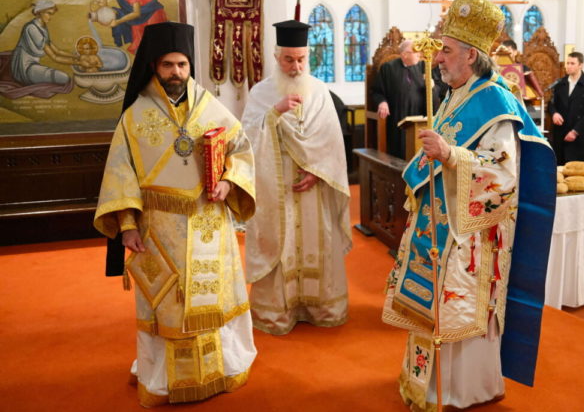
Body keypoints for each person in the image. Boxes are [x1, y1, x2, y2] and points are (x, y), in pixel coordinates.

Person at [381, 0, 556, 411]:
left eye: (446, 50)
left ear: (471, 55)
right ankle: (426, 383)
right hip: (438, 223)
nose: (438, 58)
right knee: (429, 304)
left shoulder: (496, 101)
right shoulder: (453, 95)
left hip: (471, 235)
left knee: (457, 308)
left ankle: (463, 390)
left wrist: (449, 154)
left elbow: (503, 175)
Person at [93, 22, 257, 407]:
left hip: (208, 222)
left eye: (182, 65)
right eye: (168, 65)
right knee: (167, 303)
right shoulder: (134, 116)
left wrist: (228, 182)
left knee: (212, 299)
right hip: (159, 228)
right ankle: (164, 378)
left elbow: (240, 149)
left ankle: (221, 367)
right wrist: (127, 226)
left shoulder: (209, 106)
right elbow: (120, 174)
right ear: (154, 65)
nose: (176, 73)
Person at [242, 20, 352, 335]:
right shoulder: (261, 93)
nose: (296, 66)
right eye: (289, 59)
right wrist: (274, 112)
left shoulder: (319, 91)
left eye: (302, 59)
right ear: (277, 57)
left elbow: (332, 142)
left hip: (314, 185)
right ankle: (278, 311)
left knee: (319, 241)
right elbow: (246, 139)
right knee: (283, 242)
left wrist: (317, 171)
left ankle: (321, 308)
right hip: (277, 185)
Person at [372, 39, 443, 159]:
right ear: (404, 54)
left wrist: (432, 86)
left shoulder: (424, 66)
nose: (419, 55)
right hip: (397, 118)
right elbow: (377, 91)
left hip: (419, 118)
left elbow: (438, 91)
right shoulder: (388, 68)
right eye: (416, 52)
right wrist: (382, 102)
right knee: (398, 153)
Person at [10, 0, 81, 85]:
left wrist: (77, 57)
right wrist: (79, 63)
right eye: (48, 13)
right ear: (40, 12)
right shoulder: (32, 28)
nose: (50, 17)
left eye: (51, 14)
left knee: (62, 77)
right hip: (25, 69)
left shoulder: (43, 27)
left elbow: (57, 51)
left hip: (33, 65)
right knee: (64, 78)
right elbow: (54, 57)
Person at [548, 51, 584, 165]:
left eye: (572, 63)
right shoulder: (560, 83)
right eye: (567, 63)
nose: (568, 66)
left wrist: (575, 131)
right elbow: (551, 104)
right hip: (561, 133)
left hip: (581, 134)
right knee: (561, 169)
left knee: (581, 170)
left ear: (581, 65)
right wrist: (554, 113)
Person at [100, 0, 168, 54]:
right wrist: (106, 7)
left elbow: (136, 13)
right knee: (140, 49)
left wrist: (118, 22)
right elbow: (127, 10)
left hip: (151, 15)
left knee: (153, 47)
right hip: (138, 19)